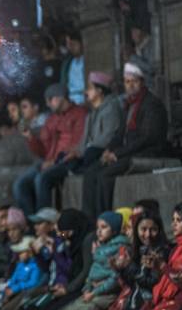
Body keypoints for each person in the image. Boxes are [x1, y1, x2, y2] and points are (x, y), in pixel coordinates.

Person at [82, 60, 168, 219]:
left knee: (105, 175)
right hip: (129, 151)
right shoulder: (129, 105)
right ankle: (90, 219)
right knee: (91, 172)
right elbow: (120, 134)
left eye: (134, 81)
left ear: (142, 82)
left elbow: (147, 138)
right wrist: (109, 150)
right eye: (127, 82)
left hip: (147, 152)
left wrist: (118, 154)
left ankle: (105, 218)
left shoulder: (151, 104)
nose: (130, 85)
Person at [86, 210, 169, 310]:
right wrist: (120, 269)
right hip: (133, 301)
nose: (148, 234)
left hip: (146, 304)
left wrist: (129, 266)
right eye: (143, 229)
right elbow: (132, 283)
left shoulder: (161, 252)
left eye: (153, 229)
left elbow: (150, 283)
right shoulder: (140, 250)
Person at [58, 211, 130, 310]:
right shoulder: (100, 246)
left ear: (115, 229)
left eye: (104, 227)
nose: (99, 231)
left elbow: (115, 278)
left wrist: (95, 292)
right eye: (98, 227)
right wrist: (87, 288)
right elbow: (92, 271)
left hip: (106, 294)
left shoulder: (121, 248)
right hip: (92, 291)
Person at [14, 83, 87, 215]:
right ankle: (32, 225)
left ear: (61, 97)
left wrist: (55, 161)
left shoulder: (80, 114)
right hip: (49, 161)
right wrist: (31, 138)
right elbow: (43, 151)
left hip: (69, 161)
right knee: (20, 184)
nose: (48, 104)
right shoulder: (52, 119)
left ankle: (44, 223)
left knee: (41, 179)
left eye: (50, 99)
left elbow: (78, 144)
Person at [125, 203, 182, 310]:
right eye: (173, 219)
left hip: (173, 303)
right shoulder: (176, 247)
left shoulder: (166, 248)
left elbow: (176, 279)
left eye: (179, 220)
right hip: (160, 300)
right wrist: (123, 269)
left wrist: (161, 266)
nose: (174, 224)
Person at [70, 71, 123, 172]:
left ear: (99, 91)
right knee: (67, 158)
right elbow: (84, 140)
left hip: (101, 150)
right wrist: (77, 151)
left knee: (90, 153)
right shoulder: (92, 112)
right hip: (90, 150)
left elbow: (108, 137)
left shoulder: (111, 108)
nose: (86, 92)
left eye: (90, 88)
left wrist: (86, 150)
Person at [61, 31, 86, 105]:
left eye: (73, 44)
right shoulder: (68, 63)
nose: (70, 48)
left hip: (84, 100)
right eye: (68, 45)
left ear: (81, 43)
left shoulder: (86, 61)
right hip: (70, 102)